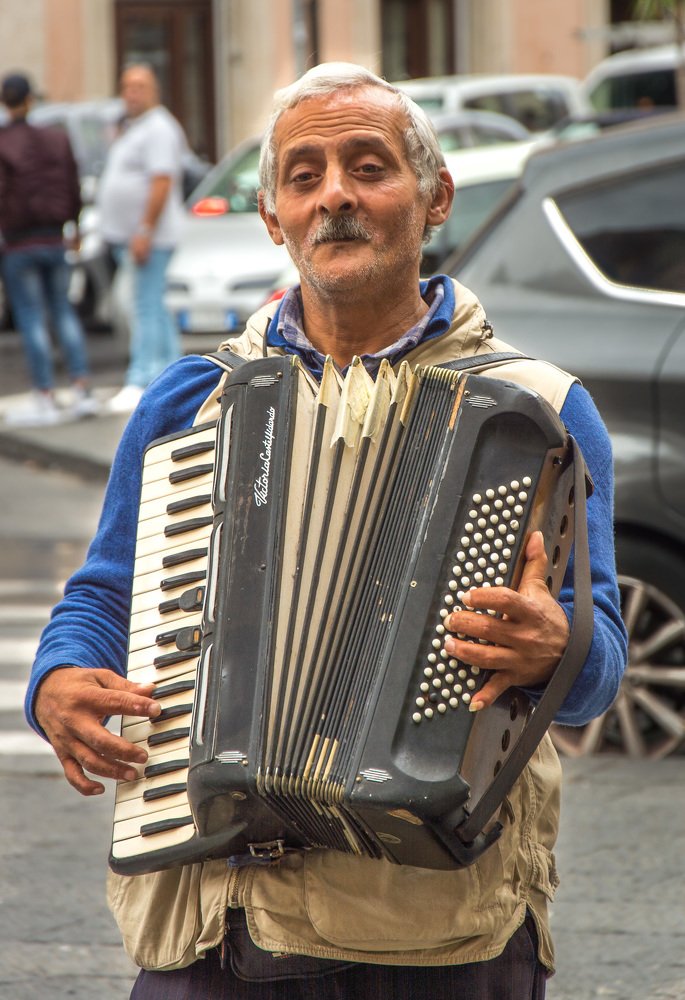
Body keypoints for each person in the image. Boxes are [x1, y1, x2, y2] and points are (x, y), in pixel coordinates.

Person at [26, 63, 627, 999]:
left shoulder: (539, 412)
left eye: (368, 167)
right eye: (303, 177)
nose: (334, 196)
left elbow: (597, 668)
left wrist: (559, 650)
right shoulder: (191, 403)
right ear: (273, 217)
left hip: (431, 936)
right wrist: (58, 678)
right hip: (207, 927)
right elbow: (106, 591)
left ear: (434, 198)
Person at [0, 71, 99, 426]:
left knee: (30, 317)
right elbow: (72, 187)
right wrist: (73, 226)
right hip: (54, 237)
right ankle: (82, 388)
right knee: (63, 311)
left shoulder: (3, 141)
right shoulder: (56, 139)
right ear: (30, 100)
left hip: (17, 242)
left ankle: (44, 394)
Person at [98, 63, 186, 413]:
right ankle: (171, 372)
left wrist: (144, 229)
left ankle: (141, 379)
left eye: (139, 86)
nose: (131, 93)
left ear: (155, 90)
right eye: (126, 86)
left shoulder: (159, 128)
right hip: (135, 236)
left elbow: (161, 181)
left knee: (143, 306)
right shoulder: (135, 128)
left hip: (150, 236)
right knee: (153, 307)